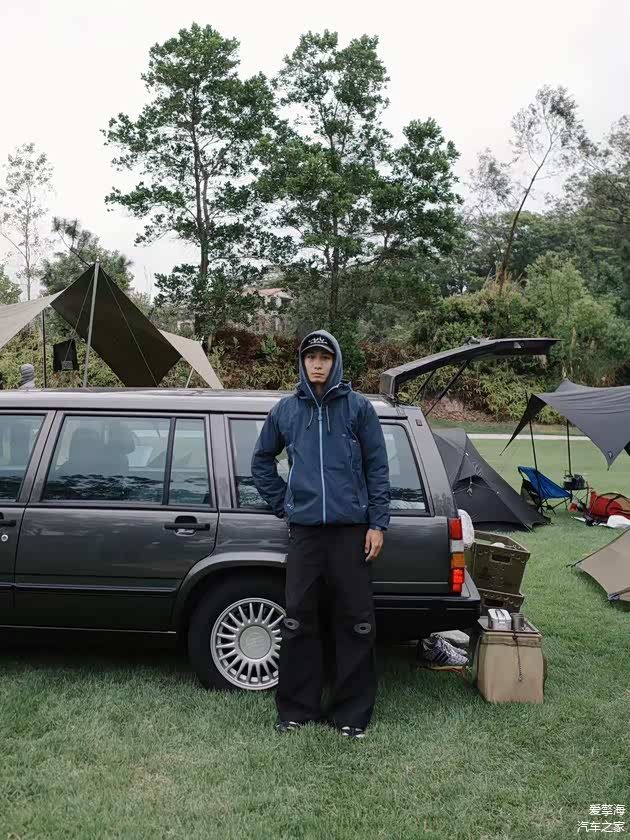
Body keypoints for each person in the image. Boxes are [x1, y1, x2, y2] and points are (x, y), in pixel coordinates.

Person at [251, 329, 390, 739]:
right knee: (298, 621)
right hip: (306, 533)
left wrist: (377, 523)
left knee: (356, 623)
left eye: (324, 358)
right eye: (310, 357)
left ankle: (351, 714)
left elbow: (378, 468)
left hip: (351, 533)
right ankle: (296, 710)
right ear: (302, 362)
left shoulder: (358, 409)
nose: (317, 364)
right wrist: (285, 503)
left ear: (335, 362)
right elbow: (261, 461)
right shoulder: (286, 411)